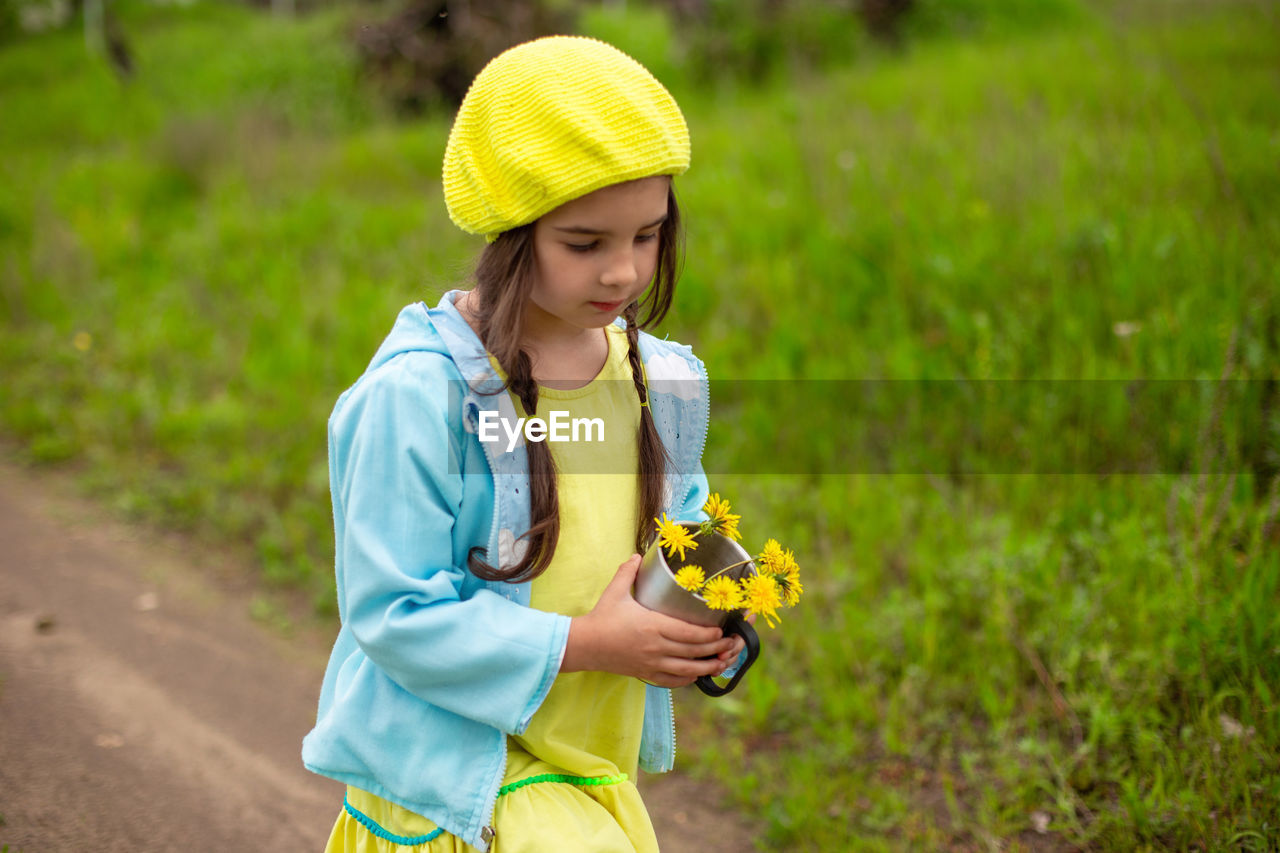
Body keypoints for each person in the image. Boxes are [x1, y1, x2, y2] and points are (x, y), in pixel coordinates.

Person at [302, 36, 741, 852]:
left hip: (586, 761)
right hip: (454, 778)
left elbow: (682, 528)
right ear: (510, 230)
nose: (624, 273)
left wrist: (703, 605)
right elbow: (393, 612)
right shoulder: (417, 397)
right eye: (586, 243)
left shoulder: (664, 382)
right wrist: (588, 643)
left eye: (646, 236)